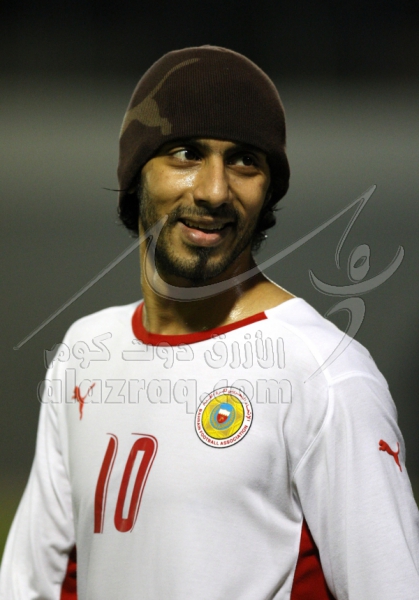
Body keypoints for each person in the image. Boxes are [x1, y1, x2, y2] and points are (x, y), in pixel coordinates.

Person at [1, 45, 418, 600]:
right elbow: (35, 585)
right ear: (135, 174)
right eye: (186, 154)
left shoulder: (326, 374)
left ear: (268, 189)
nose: (215, 190)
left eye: (244, 161)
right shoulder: (85, 352)